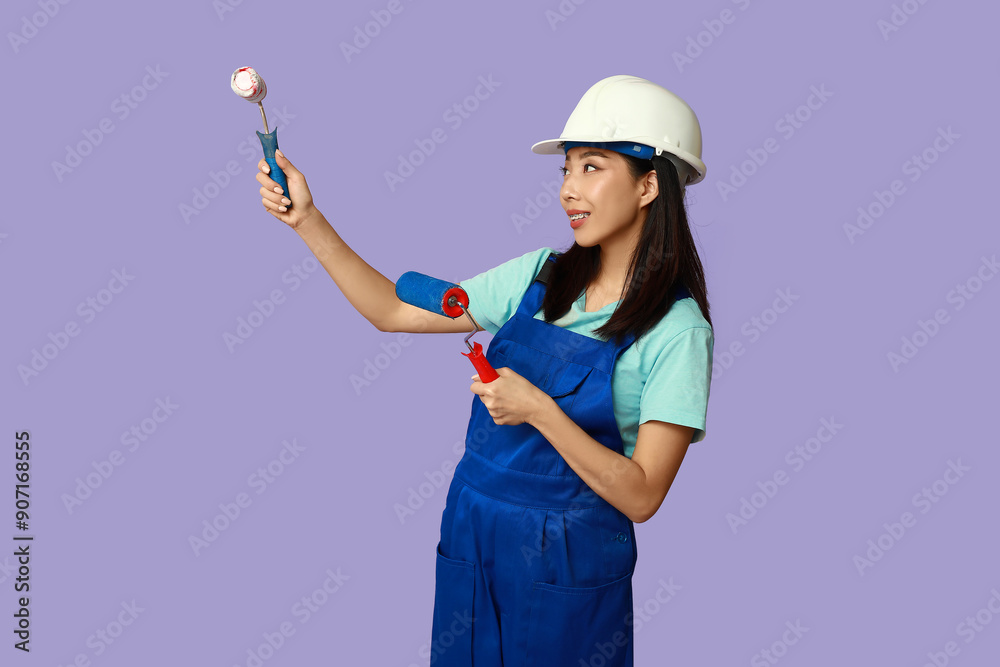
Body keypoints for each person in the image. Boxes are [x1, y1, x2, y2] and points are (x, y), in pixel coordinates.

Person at [254, 74, 713, 667]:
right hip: (475, 534)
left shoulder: (677, 332)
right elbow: (392, 309)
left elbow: (644, 494)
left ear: (649, 183)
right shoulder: (539, 278)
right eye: (565, 169)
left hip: (569, 562)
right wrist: (308, 220)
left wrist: (541, 412)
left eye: (592, 168)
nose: (568, 190)